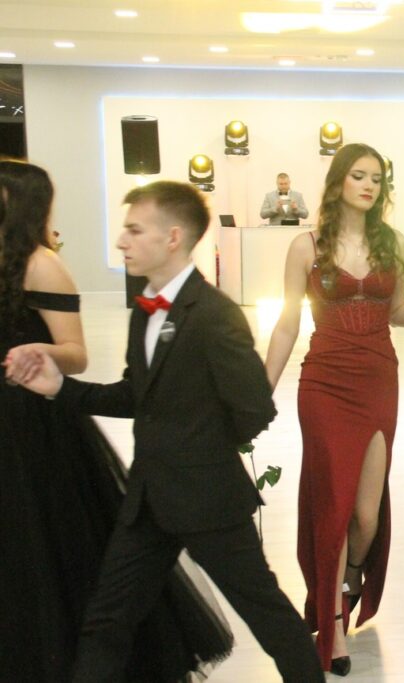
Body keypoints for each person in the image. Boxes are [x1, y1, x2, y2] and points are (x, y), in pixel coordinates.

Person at [7, 180, 323, 683]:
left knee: (270, 618)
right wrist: (60, 388)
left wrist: (195, 451)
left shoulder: (215, 315)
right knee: (106, 621)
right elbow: (135, 395)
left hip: (208, 501)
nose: (121, 241)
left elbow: (254, 408)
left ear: (172, 237)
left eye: (134, 230)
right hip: (149, 501)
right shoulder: (146, 310)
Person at [1, 162, 235, 682]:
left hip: (28, 425)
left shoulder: (41, 265)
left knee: (42, 549)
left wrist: (38, 353)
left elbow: (76, 353)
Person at [263, 143, 404, 675]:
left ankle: (350, 576)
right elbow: (287, 323)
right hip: (324, 383)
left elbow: (395, 310)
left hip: (377, 380)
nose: (370, 185)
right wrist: (260, 391)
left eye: (377, 178)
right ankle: (332, 625)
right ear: (338, 182)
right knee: (333, 509)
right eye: (359, 175)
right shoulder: (306, 246)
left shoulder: (396, 244)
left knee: (365, 514)